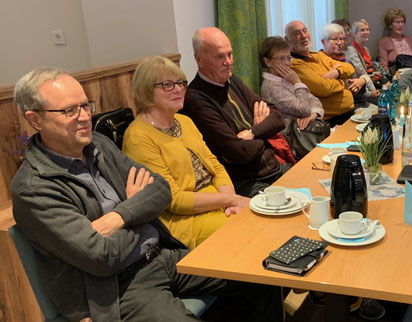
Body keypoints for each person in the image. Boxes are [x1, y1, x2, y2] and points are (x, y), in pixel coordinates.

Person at [11, 68, 281, 321]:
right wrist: (135, 207)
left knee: (259, 275)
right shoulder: (34, 188)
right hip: (116, 287)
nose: (84, 116)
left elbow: (161, 190)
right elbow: (101, 258)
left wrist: (120, 215)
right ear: (35, 120)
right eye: (69, 110)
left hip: (163, 255)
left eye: (85, 105)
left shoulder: (99, 144)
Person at [122, 56, 249, 249]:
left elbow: (215, 166)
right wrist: (230, 199)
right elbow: (174, 200)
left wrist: (230, 202)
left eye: (180, 83)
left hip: (216, 199)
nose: (179, 89)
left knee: (265, 213)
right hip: (184, 219)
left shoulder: (184, 121)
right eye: (167, 85)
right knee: (247, 228)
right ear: (146, 90)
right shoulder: (138, 137)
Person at [182, 27, 289, 198]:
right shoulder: (196, 100)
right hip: (245, 182)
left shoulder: (232, 81)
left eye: (230, 54)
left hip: (274, 169)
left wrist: (252, 132)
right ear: (199, 59)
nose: (228, 62)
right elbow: (241, 153)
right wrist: (261, 128)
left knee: (320, 183)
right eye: (220, 56)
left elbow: (277, 118)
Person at [285, 20, 357, 126]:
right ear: (287, 40)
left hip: (349, 113)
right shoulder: (295, 65)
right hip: (330, 121)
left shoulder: (318, 55)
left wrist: (337, 72)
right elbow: (325, 88)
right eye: (297, 33)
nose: (304, 36)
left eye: (305, 31)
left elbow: (350, 68)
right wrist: (343, 81)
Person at [260, 36, 323, 130]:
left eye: (289, 58)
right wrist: (297, 82)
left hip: (308, 130)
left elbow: (314, 100)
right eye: (281, 59)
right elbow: (303, 109)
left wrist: (313, 115)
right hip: (293, 137)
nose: (286, 63)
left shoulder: (284, 79)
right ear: (268, 62)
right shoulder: (271, 86)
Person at [319, 23, 378, 107]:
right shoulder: (320, 60)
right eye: (335, 39)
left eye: (341, 39)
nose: (339, 43)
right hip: (339, 106)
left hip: (358, 100)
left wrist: (362, 81)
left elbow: (364, 75)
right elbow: (326, 86)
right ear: (323, 42)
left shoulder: (346, 57)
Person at [347, 19, 389, 93]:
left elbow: (372, 70)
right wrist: (375, 90)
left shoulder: (366, 49)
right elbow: (363, 74)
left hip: (375, 83)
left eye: (367, 29)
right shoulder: (352, 51)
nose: (366, 32)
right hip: (365, 89)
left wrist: (385, 82)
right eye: (362, 30)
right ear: (354, 34)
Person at [378, 8, 412, 74]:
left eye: (402, 22)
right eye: (396, 22)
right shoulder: (384, 42)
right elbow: (383, 65)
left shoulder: (410, 39)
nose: (400, 25)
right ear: (390, 25)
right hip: (397, 75)